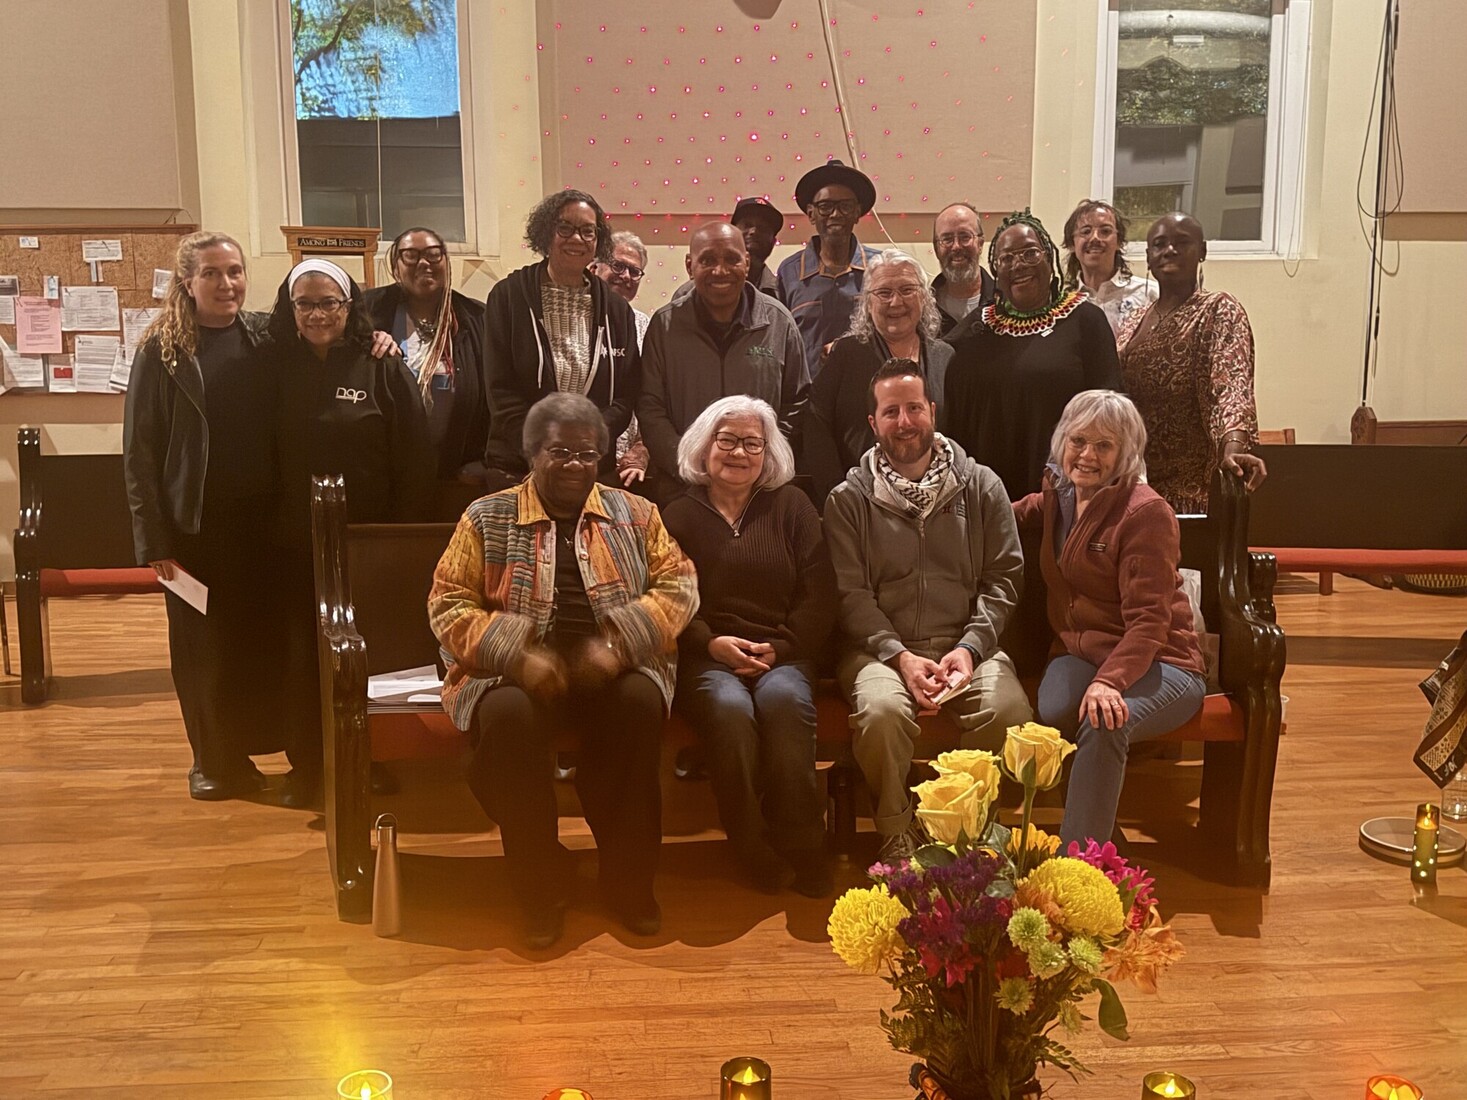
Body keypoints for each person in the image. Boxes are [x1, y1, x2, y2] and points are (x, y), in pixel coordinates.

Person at [429, 393, 699, 948]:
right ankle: (540, 886)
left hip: (612, 669)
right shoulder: (487, 516)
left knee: (639, 706)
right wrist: (516, 653)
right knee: (505, 719)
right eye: (560, 452)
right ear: (532, 453)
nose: (575, 464)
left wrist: (619, 643)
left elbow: (680, 587)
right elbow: (448, 603)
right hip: (515, 675)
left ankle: (628, 882)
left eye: (587, 453)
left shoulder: (637, 514)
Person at [824, 361, 1032, 865]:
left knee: (1009, 712)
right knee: (881, 712)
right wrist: (900, 658)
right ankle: (896, 830)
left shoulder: (982, 486)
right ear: (873, 423)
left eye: (914, 407)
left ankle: (962, 826)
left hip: (968, 646)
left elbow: (1005, 578)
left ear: (932, 411)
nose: (905, 421)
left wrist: (969, 648)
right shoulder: (848, 500)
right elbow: (851, 596)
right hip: (880, 651)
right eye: (890, 411)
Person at [269, 258, 435, 808]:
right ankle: (306, 765)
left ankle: (372, 756)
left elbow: (414, 456)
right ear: (291, 310)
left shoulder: (381, 363)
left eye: (329, 303)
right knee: (298, 657)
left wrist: (398, 538)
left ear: (350, 307)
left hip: (366, 541)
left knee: (367, 656)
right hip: (293, 541)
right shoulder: (272, 364)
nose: (318, 314)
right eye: (306, 304)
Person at [1012, 391, 1206, 847]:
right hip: (1083, 651)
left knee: (1104, 721)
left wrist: (1110, 682)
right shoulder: (1058, 496)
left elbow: (1150, 623)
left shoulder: (1145, 513)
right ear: (1062, 441)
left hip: (1164, 661)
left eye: (1104, 445)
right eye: (1078, 440)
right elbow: (1009, 512)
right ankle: (1103, 830)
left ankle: (1081, 863)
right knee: (1054, 707)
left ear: (1125, 453)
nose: (1087, 455)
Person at [662, 397, 838, 898]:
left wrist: (780, 648)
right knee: (729, 709)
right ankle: (750, 843)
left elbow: (820, 593)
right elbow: (667, 597)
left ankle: (803, 842)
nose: (739, 452)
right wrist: (710, 643)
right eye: (727, 440)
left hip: (784, 651)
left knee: (784, 702)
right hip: (706, 657)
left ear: (768, 452)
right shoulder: (676, 514)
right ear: (704, 445)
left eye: (752, 443)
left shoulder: (792, 506)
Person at [123, 231, 277, 800]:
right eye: (212, 273)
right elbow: (138, 455)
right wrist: (153, 540)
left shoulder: (263, 336)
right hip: (195, 530)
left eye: (234, 271)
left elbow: (332, 329)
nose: (226, 283)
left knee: (249, 644)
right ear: (187, 282)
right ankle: (210, 761)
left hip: (260, 525)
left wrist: (377, 336)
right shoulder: (161, 349)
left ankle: (249, 753)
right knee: (200, 652)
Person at [944, 209, 1123, 501]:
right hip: (988, 500)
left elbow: (1111, 413)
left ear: (1049, 258)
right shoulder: (975, 330)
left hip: (1065, 495)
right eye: (1007, 258)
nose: (1018, 265)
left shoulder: (1086, 321)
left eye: (1029, 254)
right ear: (996, 270)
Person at [482, 190, 640, 490]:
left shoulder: (618, 311)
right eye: (565, 228)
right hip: (518, 467)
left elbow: (626, 395)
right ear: (545, 233)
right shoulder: (508, 297)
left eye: (587, 231)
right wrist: (539, 452)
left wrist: (585, 447)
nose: (576, 239)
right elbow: (499, 390)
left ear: (598, 240)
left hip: (590, 468)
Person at [638, 221, 808, 497]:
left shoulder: (779, 323)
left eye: (731, 259)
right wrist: (687, 464)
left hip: (760, 490)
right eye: (707, 260)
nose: (720, 270)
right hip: (682, 490)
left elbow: (798, 401)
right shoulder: (664, 326)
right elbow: (650, 406)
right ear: (689, 265)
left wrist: (762, 459)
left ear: (747, 263)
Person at [1117, 212, 1267, 513]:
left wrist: (1234, 447)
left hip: (1190, 493)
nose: (1169, 250)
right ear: (1148, 257)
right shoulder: (1132, 320)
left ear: (1202, 251)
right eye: (1159, 244)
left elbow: (1231, 386)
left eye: (1181, 242)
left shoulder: (1218, 310)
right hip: (1133, 487)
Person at [805, 249, 953, 503]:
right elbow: (815, 422)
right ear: (868, 302)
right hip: (860, 503)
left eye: (907, 290)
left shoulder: (945, 357)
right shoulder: (846, 354)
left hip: (938, 501)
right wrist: (836, 492)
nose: (896, 302)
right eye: (884, 293)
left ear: (925, 298)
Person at [364, 226, 488, 487]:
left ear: (446, 262)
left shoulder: (477, 319)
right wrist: (368, 339)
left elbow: (495, 398)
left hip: (456, 471)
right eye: (410, 255)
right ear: (395, 267)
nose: (424, 263)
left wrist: (486, 461)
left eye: (433, 254)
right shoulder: (368, 314)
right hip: (387, 473)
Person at [776, 158, 882, 377]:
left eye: (845, 206)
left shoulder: (881, 268)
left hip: (870, 393)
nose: (835, 215)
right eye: (825, 207)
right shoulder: (789, 272)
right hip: (807, 398)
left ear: (857, 212)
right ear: (811, 213)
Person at [1061, 198, 1157, 336]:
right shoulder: (1062, 305)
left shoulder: (1150, 295)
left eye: (1105, 231)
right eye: (1086, 231)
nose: (1095, 238)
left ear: (1119, 242)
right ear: (1071, 244)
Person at [930, 202, 995, 335]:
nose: (956, 247)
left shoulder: (1005, 303)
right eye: (947, 239)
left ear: (980, 244)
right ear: (936, 249)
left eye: (965, 237)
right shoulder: (923, 310)